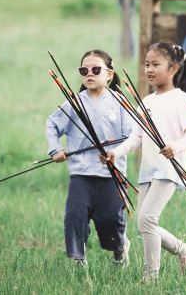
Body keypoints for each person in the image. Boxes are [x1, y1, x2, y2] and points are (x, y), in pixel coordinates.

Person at [104, 42, 186, 281]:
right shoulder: (146, 102)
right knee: (143, 224)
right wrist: (116, 152)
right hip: (148, 170)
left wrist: (175, 147)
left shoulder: (180, 99)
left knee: (148, 219)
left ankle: (150, 276)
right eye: (147, 64)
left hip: (169, 169)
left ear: (173, 69)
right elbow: (136, 137)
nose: (149, 69)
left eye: (156, 64)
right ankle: (184, 249)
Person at [46, 50, 132, 267]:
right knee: (74, 216)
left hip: (112, 174)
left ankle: (120, 247)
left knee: (111, 219)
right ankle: (78, 258)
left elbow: (132, 136)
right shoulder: (75, 102)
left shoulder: (120, 102)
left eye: (96, 70)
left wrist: (116, 152)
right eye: (84, 70)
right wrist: (55, 149)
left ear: (109, 74)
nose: (89, 74)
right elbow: (52, 124)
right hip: (81, 173)